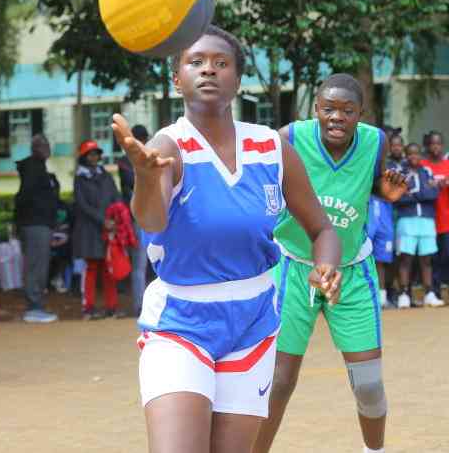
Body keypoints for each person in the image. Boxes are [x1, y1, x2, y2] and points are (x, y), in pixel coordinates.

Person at [114, 25, 340, 453]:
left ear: (238, 80)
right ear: (177, 78)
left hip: (253, 321)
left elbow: (322, 228)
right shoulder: (169, 146)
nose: (208, 71)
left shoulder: (271, 147)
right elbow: (151, 219)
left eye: (221, 63)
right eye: (195, 62)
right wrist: (145, 178)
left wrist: (326, 264)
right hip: (181, 323)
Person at [253, 73, 407, 453]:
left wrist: (385, 193)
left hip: (352, 269)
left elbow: (373, 185)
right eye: (328, 109)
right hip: (294, 265)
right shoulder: (290, 137)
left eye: (347, 110)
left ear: (361, 114)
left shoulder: (375, 142)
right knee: (279, 380)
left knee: (369, 384)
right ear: (316, 110)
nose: (336, 117)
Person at [72, 140, 122, 320]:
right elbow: (82, 205)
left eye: (96, 154)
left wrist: (118, 216)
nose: (94, 157)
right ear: (84, 157)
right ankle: (88, 308)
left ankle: (112, 307)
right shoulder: (79, 178)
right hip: (89, 230)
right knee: (91, 268)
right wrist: (103, 220)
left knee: (110, 269)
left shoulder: (106, 175)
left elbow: (116, 197)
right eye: (90, 154)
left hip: (108, 229)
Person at [14, 134, 60, 323]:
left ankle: (36, 304)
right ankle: (34, 307)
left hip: (40, 223)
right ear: (35, 148)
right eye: (42, 145)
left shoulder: (39, 168)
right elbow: (25, 196)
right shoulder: (33, 168)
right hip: (35, 223)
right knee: (36, 266)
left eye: (47, 144)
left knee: (39, 265)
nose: (47, 148)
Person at [395, 142, 440, 308]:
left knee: (426, 259)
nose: (414, 157)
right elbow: (397, 197)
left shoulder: (427, 171)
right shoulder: (400, 172)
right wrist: (422, 193)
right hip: (407, 220)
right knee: (406, 259)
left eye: (417, 154)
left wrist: (412, 192)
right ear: (406, 155)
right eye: (411, 154)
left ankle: (429, 293)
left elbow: (434, 194)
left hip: (427, 220)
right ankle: (404, 294)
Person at [421, 131, 449, 306]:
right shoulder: (422, 164)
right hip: (429, 219)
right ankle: (435, 293)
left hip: (447, 217)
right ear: (427, 146)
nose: (435, 147)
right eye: (432, 144)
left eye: (438, 143)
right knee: (434, 257)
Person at [117, 123, 151, 316]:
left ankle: (149, 305)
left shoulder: (149, 156)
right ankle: (140, 305)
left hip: (154, 214)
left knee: (152, 262)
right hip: (138, 217)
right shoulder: (126, 162)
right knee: (140, 265)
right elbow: (135, 182)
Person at [367, 194, 395, 309]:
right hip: (366, 208)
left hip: (384, 213)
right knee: (360, 259)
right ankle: (365, 297)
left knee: (382, 261)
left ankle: (382, 297)